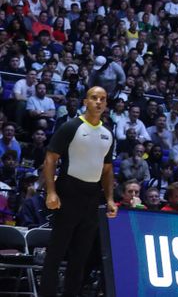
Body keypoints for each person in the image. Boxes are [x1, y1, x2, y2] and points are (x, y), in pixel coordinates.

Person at [40, 85, 118, 297]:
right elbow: (50, 159)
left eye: (102, 99)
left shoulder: (107, 134)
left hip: (91, 197)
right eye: (94, 98)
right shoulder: (71, 127)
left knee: (80, 257)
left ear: (106, 104)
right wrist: (51, 192)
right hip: (68, 192)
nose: (98, 102)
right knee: (56, 253)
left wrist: (110, 198)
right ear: (85, 101)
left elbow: (107, 169)